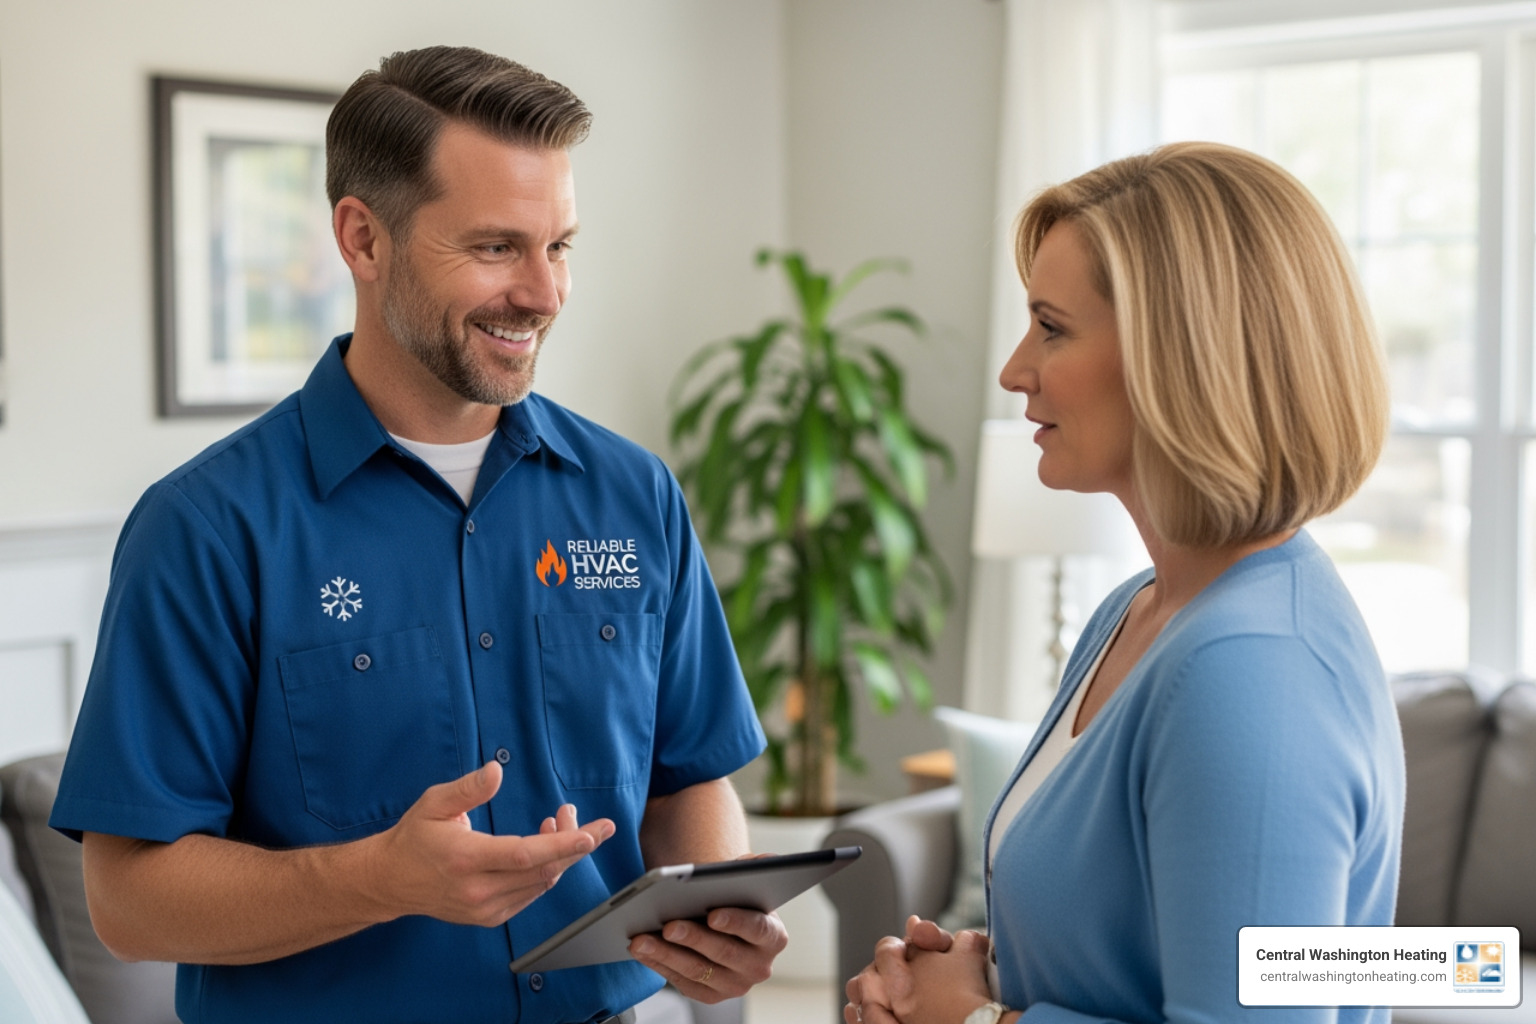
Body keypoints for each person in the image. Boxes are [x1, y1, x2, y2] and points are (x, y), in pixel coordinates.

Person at [49, 45, 785, 1024]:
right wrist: (379, 878)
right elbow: (129, 901)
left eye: (559, 245)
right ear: (362, 239)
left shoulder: (635, 494)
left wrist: (714, 911)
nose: (544, 292)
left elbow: (689, 778)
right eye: (494, 248)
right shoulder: (205, 529)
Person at [845, 141, 1404, 1024]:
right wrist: (975, 979)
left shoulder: (1255, 669)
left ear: (1180, 354)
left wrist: (977, 1021)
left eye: (1052, 327)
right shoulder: (1139, 610)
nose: (1014, 370)